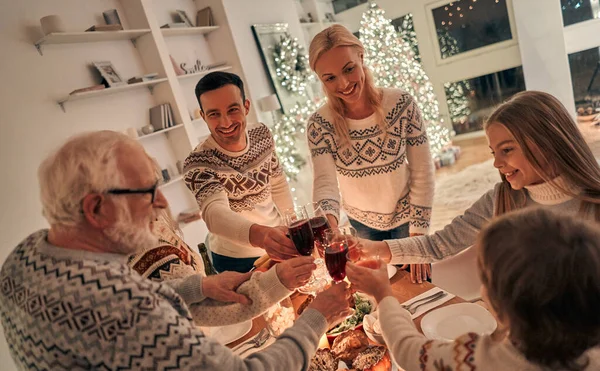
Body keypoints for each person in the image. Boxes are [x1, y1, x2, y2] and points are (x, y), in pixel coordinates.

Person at [0, 131, 352, 370]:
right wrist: (317, 317)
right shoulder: (125, 309)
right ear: (95, 209)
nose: (163, 202)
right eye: (147, 192)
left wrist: (197, 286)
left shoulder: (25, 255)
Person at [360, 90, 600, 265]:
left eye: (507, 150)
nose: (497, 163)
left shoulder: (593, 205)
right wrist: (371, 249)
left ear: (546, 143)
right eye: (494, 153)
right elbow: (438, 245)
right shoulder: (501, 199)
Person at [347, 208, 600, 370]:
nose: (481, 287)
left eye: (486, 279)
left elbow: (408, 351)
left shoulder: (479, 359)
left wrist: (384, 296)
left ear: (504, 311)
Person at [307, 25, 434, 282]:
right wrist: (329, 227)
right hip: (360, 228)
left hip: (407, 223)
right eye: (329, 78)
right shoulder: (319, 124)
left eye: (349, 69)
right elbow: (325, 183)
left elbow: (423, 171)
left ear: (361, 58)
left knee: (420, 293)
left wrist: (418, 235)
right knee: (377, 302)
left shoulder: (401, 105)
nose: (343, 84)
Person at [184, 71, 297, 273]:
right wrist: (262, 236)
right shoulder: (198, 162)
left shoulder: (261, 135)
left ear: (246, 106)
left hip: (281, 240)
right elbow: (214, 214)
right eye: (214, 114)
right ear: (203, 117)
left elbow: (278, 183)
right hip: (235, 261)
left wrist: (292, 224)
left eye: (232, 110)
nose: (226, 122)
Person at [128, 207, 317, 326]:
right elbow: (203, 310)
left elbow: (188, 291)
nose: (162, 199)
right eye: (148, 185)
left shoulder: (151, 222)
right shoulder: (141, 243)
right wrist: (278, 281)